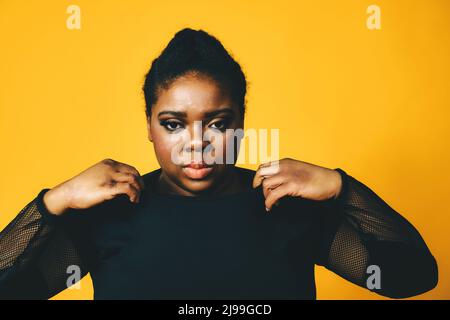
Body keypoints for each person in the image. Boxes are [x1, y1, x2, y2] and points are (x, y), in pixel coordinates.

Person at [0, 28, 438, 300]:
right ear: (149, 127)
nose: (197, 144)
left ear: (241, 125)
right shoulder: (110, 212)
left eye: (218, 123)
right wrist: (53, 202)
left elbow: (411, 277)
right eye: (173, 124)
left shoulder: (284, 204)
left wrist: (342, 187)